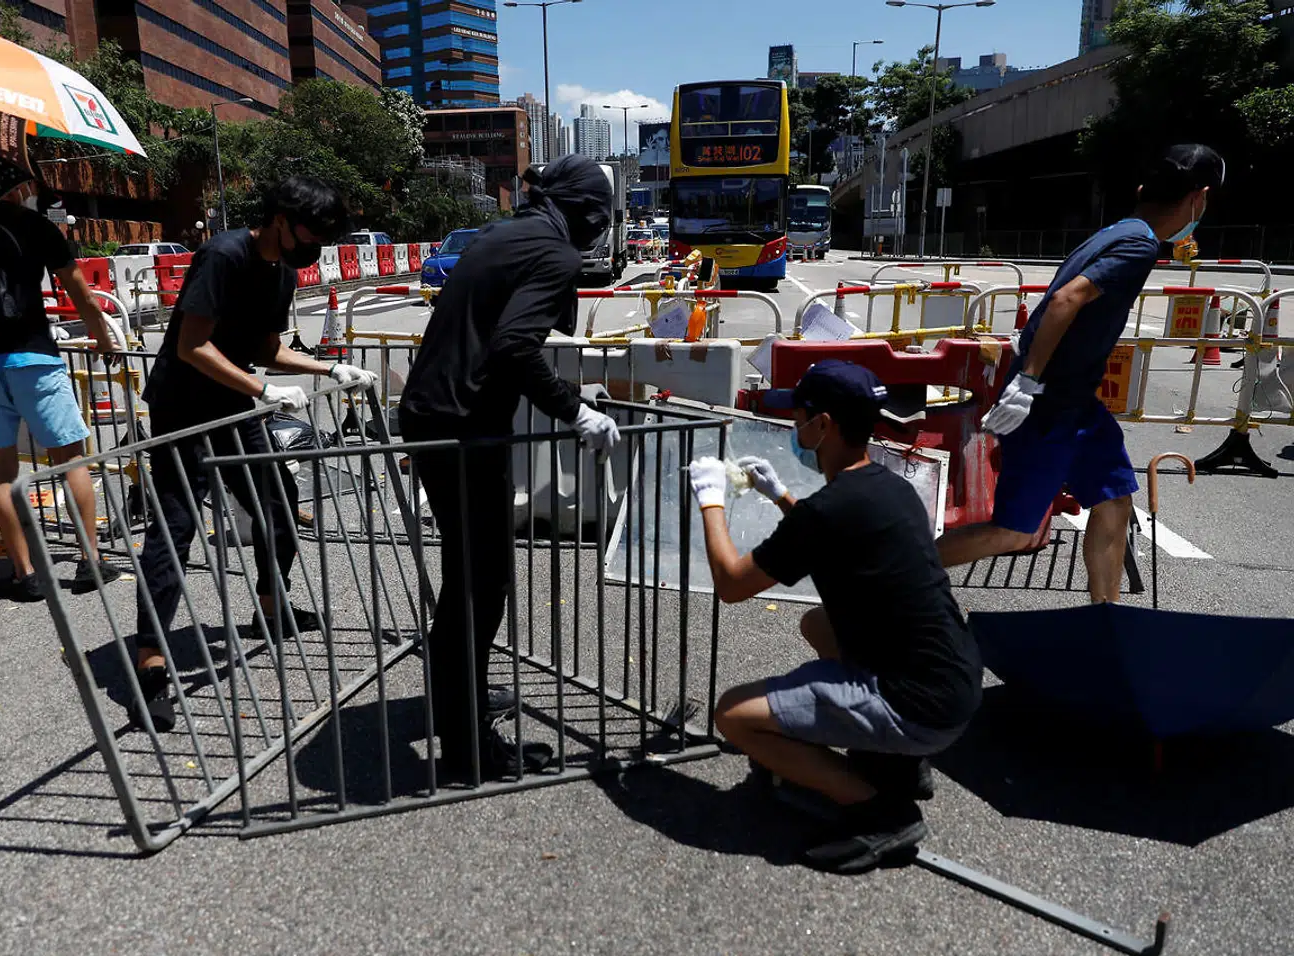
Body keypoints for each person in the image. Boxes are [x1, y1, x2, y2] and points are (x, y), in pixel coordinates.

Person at [690, 360, 983, 874]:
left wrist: (710, 499)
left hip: (917, 705)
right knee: (816, 624)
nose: (796, 429)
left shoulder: (825, 512)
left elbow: (732, 584)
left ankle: (881, 811)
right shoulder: (888, 487)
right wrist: (780, 496)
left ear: (823, 425)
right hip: (954, 681)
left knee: (733, 717)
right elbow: (827, 531)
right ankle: (899, 762)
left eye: (800, 417)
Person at [399, 154, 623, 782]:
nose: (598, 233)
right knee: (480, 584)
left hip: (437, 415)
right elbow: (514, 346)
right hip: (461, 427)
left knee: (468, 579)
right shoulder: (555, 252)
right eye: (599, 220)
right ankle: (470, 747)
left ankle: (459, 705)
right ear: (586, 212)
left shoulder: (509, 232)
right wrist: (574, 410)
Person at [131, 175, 375, 730]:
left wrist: (327, 367)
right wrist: (260, 387)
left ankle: (271, 604)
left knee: (281, 504)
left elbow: (267, 347)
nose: (318, 247)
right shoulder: (223, 256)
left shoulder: (283, 270)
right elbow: (192, 346)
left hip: (236, 407)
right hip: (184, 407)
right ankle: (150, 659)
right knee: (175, 527)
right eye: (313, 233)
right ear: (281, 219)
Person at [938, 144, 1225, 603]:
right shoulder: (1138, 244)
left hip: (1075, 404)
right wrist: (1028, 382)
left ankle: (1105, 619)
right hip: (1049, 402)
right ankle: (883, 576)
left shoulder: (1120, 231)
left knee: (1113, 496)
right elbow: (1066, 299)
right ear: (1200, 199)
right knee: (1013, 531)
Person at [0, 181, 121, 602]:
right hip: (33, 357)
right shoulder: (33, 224)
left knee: (0, 475)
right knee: (71, 459)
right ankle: (90, 561)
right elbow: (80, 291)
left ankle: (24, 573)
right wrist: (102, 337)